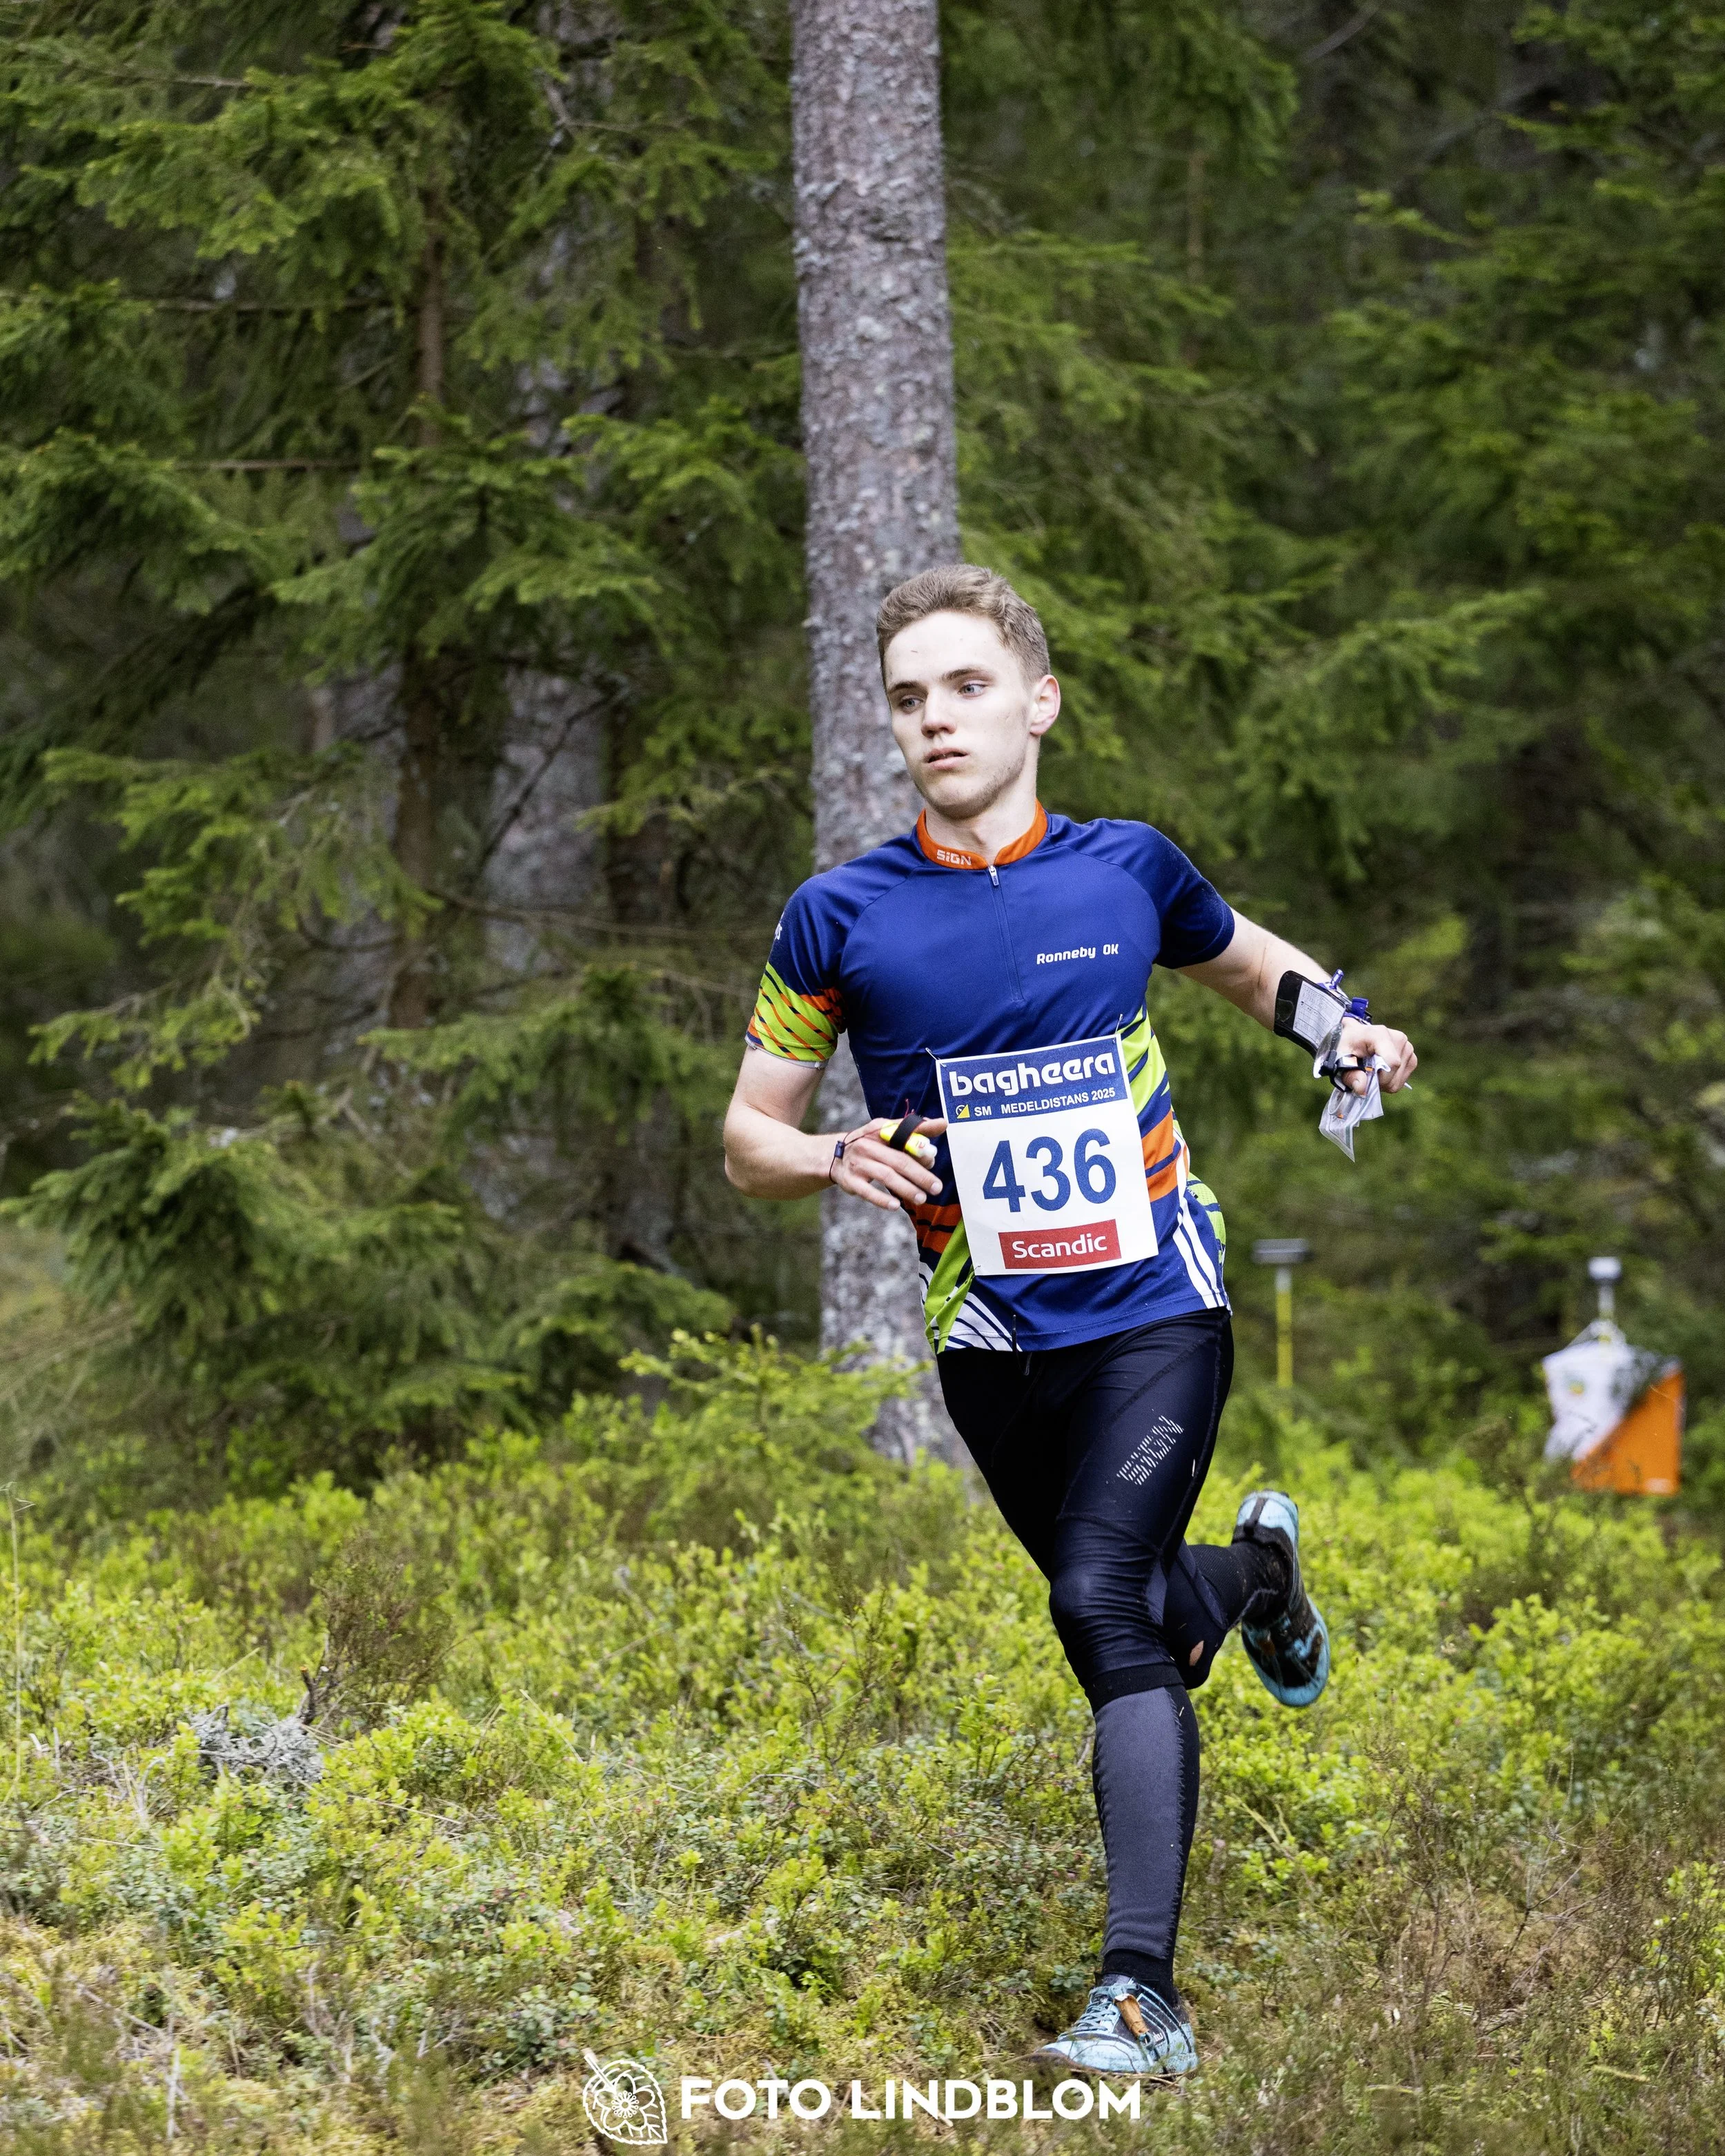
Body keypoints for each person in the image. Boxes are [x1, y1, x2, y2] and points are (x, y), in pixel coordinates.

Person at [722, 564, 1416, 2079]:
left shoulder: (1123, 869)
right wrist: (831, 1152)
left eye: (963, 685)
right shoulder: (835, 916)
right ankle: (1253, 1576)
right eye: (906, 696)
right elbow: (746, 1137)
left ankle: (1141, 1996)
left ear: (1035, 701)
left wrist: (1340, 1023)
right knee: (1152, 1610)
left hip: (1157, 1298)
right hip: (987, 1335)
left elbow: (1248, 967)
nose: (933, 718)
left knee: (1096, 1607)